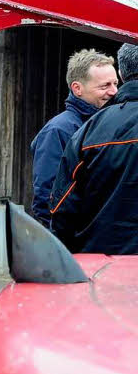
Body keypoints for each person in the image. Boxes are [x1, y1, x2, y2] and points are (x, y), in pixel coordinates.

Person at [50, 43, 138, 254]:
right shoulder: (65, 129)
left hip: (102, 261)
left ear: (122, 75)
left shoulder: (89, 131)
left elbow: (62, 208)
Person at [30, 50, 118, 227]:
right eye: (105, 86)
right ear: (77, 88)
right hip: (78, 242)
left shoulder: (110, 123)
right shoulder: (58, 130)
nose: (114, 92)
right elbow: (46, 198)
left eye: (116, 83)